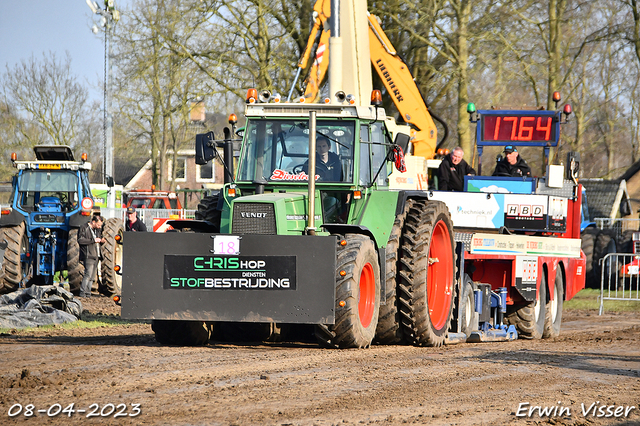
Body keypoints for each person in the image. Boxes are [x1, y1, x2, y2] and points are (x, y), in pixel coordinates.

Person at [77, 215, 105, 298]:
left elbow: (98, 239)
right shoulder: (84, 228)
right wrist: (93, 240)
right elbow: (80, 240)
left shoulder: (97, 230)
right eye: (98, 225)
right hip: (88, 255)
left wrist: (101, 241)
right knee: (88, 274)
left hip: (96, 254)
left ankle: (88, 293)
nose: (99, 227)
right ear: (93, 222)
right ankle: (82, 292)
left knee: (92, 276)